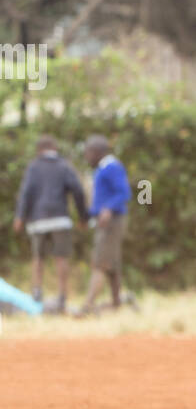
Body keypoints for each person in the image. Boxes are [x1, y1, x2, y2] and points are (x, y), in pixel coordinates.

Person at [14, 134, 86, 313]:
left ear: (39, 150)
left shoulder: (34, 167)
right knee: (61, 258)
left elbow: (26, 193)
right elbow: (78, 190)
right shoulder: (64, 166)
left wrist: (20, 217)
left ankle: (37, 293)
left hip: (38, 220)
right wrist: (83, 216)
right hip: (60, 218)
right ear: (54, 148)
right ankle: (62, 296)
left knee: (38, 258)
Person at [76, 134, 133, 315]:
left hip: (112, 221)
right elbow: (100, 201)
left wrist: (108, 209)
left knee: (100, 263)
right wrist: (89, 216)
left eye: (88, 152)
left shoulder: (111, 167)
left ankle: (88, 306)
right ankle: (116, 304)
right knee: (112, 264)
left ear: (98, 152)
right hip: (103, 220)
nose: (86, 156)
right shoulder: (101, 169)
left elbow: (124, 193)